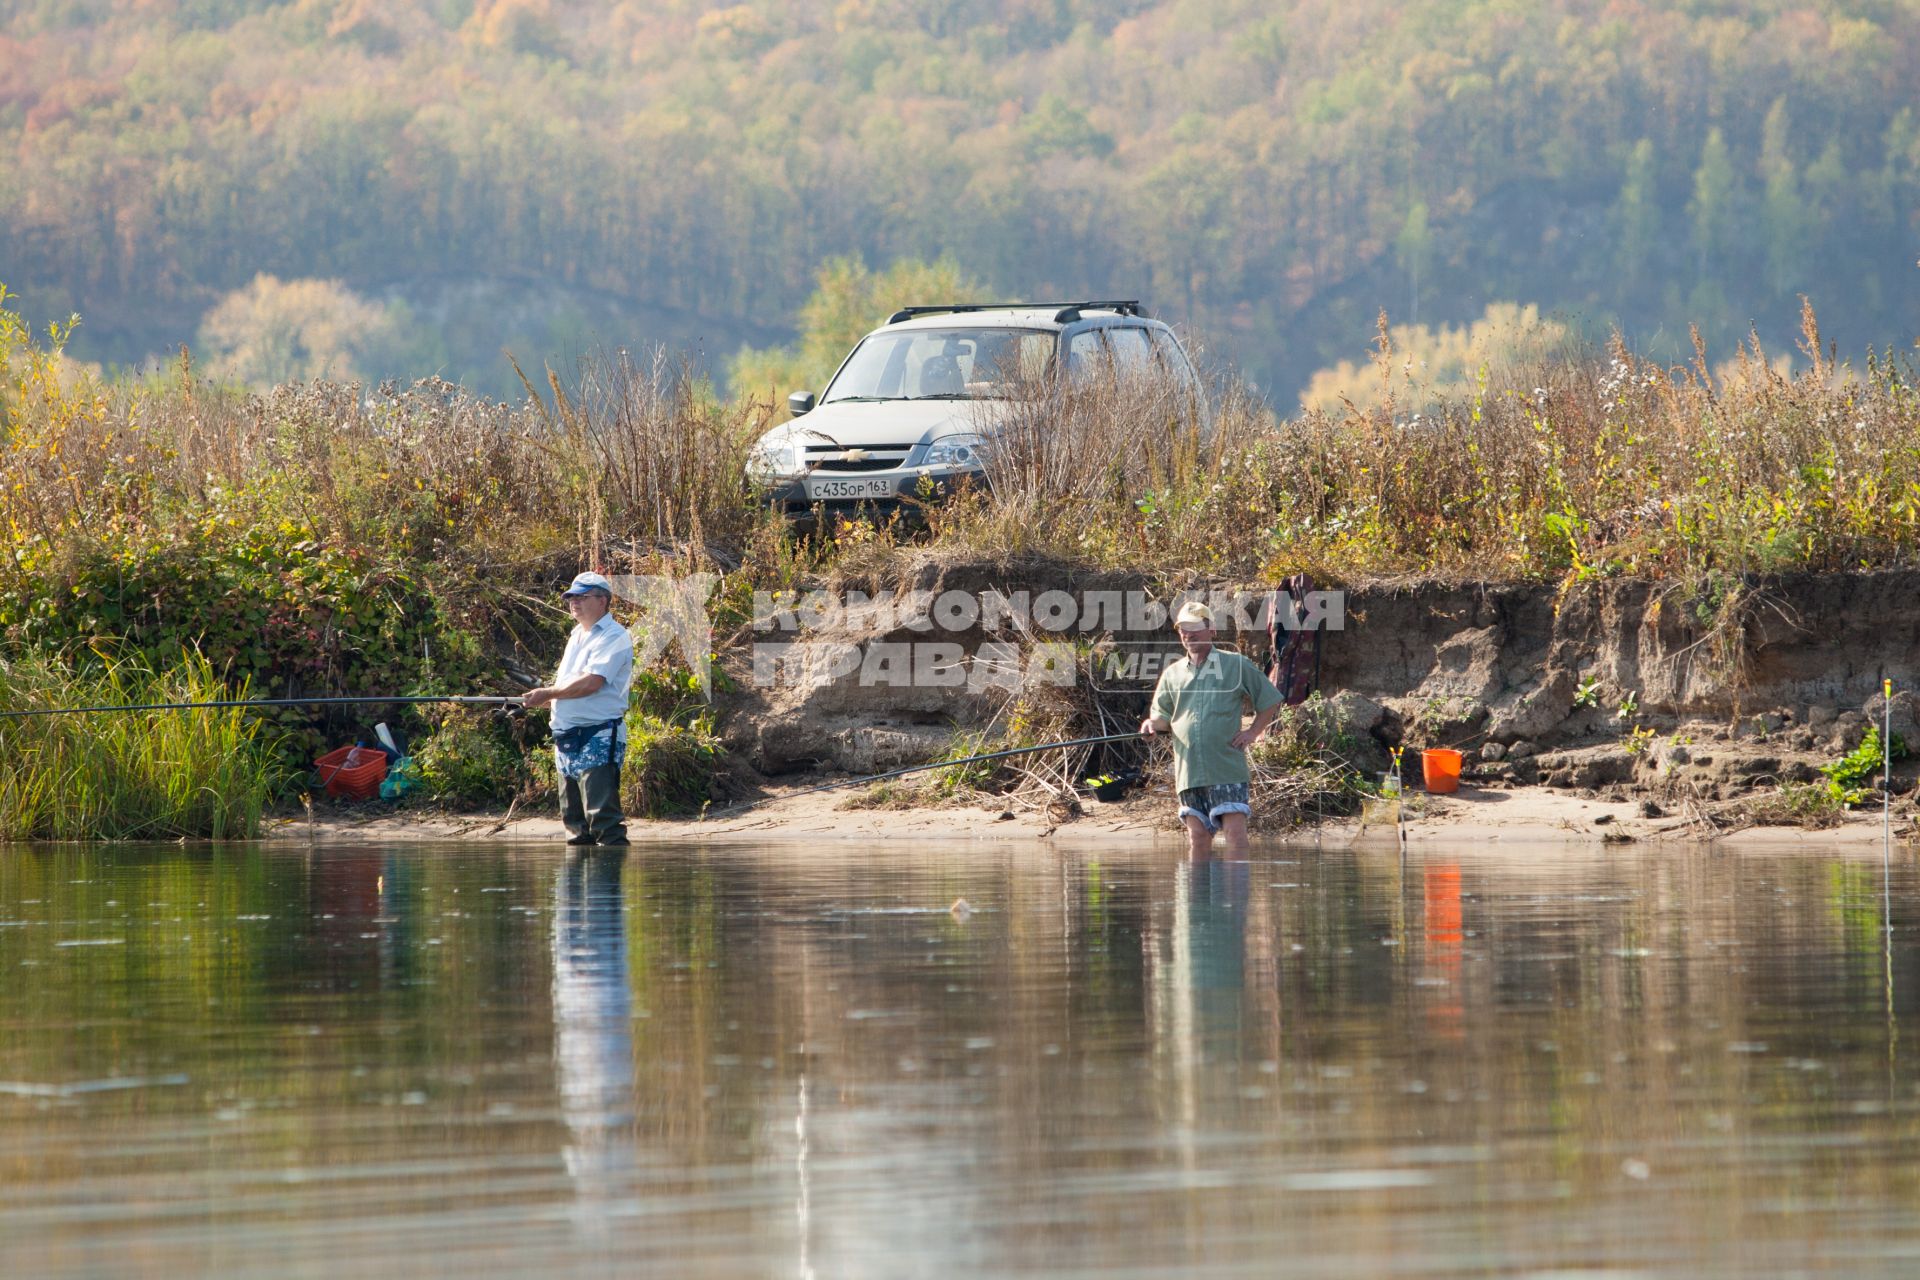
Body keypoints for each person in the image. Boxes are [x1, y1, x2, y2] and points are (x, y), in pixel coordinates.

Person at [1139, 601, 1284, 857]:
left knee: (1235, 837)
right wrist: (1151, 724)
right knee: (1197, 839)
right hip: (1189, 771)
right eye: (1183, 629)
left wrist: (1253, 733)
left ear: (1212, 630)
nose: (1188, 634)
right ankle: (1198, 897)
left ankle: (1234, 897)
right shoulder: (1172, 674)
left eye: (1195, 627)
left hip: (1226, 767)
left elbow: (1270, 700)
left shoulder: (1235, 664)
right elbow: (1161, 716)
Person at [524, 572, 635, 847]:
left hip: (596, 736)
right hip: (565, 741)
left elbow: (592, 683)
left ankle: (607, 887)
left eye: (582, 596)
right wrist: (545, 699)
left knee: (604, 824)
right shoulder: (576, 635)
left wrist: (548, 693)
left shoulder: (615, 636)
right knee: (574, 827)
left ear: (603, 601)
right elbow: (571, 688)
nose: (574, 602)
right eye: (571, 597)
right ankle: (576, 888)